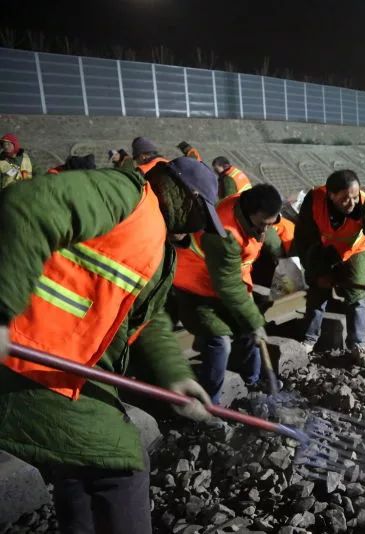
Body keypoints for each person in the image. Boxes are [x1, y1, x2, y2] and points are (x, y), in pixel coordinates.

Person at [0, 157, 220, 533]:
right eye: (202, 216)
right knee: (121, 463)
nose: (199, 230)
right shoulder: (126, 195)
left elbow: (146, 326)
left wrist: (175, 378)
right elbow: (25, 205)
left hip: (68, 364)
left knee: (84, 470)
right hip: (31, 358)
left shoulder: (154, 239)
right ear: (189, 199)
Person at [172, 184, 286, 404]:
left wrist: (280, 253)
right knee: (220, 342)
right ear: (249, 213)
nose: (264, 231)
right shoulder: (224, 234)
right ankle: (209, 403)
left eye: (270, 225)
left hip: (223, 282)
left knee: (248, 330)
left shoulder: (247, 206)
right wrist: (254, 321)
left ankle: (253, 382)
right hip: (195, 287)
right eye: (262, 225)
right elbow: (229, 286)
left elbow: (264, 237)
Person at [295, 170, 365, 365]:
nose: (352, 203)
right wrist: (317, 272)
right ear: (331, 195)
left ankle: (358, 344)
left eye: (355, 197)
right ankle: (309, 339)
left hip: (357, 249)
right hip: (326, 247)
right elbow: (304, 240)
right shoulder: (314, 200)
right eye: (345, 199)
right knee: (318, 290)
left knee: (355, 293)